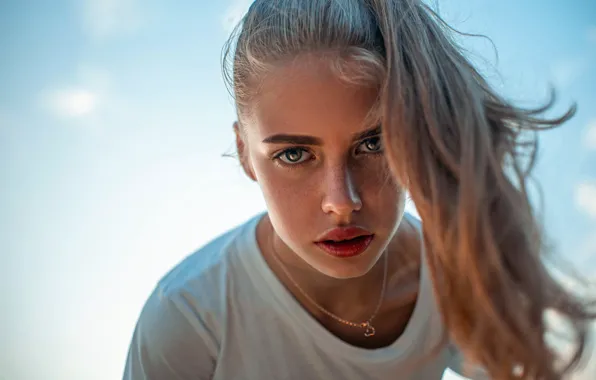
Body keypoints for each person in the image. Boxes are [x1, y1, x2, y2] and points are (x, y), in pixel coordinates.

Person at [123, 1, 595, 379]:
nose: (342, 202)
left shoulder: (451, 270)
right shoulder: (188, 319)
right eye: (293, 154)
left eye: (374, 143)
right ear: (245, 154)